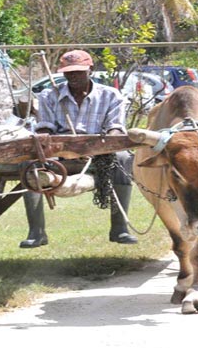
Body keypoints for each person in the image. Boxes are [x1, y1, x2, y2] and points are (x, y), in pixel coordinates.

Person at [19, 49, 137, 248]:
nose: (73, 76)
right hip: (58, 154)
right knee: (28, 165)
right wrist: (49, 140)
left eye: (78, 71)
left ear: (90, 69)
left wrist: (100, 147)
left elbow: (116, 128)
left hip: (100, 154)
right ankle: (36, 232)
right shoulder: (49, 95)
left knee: (124, 157)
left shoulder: (111, 95)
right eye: (68, 72)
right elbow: (45, 126)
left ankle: (120, 228)